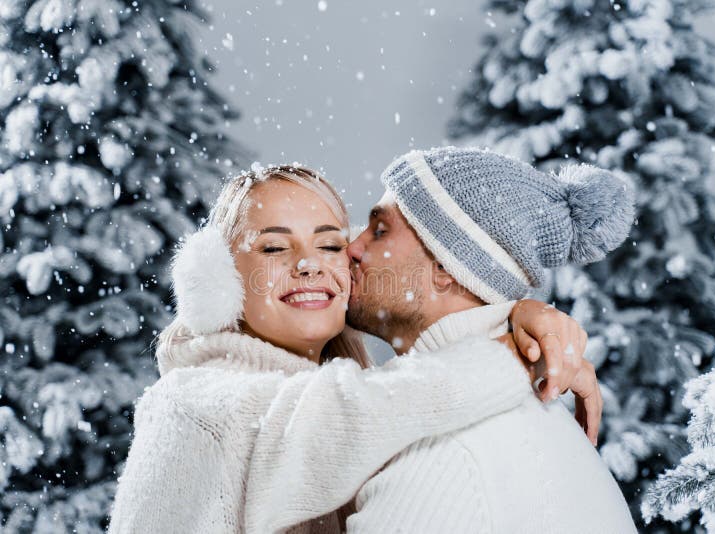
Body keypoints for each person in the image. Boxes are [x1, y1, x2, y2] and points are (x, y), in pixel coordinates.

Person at [107, 164, 600, 533]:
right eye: (274, 248)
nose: (308, 265)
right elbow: (344, 416)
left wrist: (516, 313)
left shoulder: (360, 411)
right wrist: (511, 350)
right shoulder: (191, 405)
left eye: (329, 245)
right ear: (219, 279)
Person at [343, 146, 639, 532]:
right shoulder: (525, 416)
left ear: (447, 268)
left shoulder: (441, 459)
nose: (353, 247)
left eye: (380, 231)